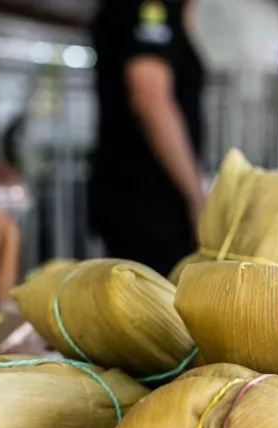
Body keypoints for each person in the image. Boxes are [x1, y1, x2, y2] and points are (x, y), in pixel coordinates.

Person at [89, 0, 206, 276]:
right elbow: (150, 98)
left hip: (148, 202)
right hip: (148, 206)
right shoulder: (150, 6)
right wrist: (196, 197)